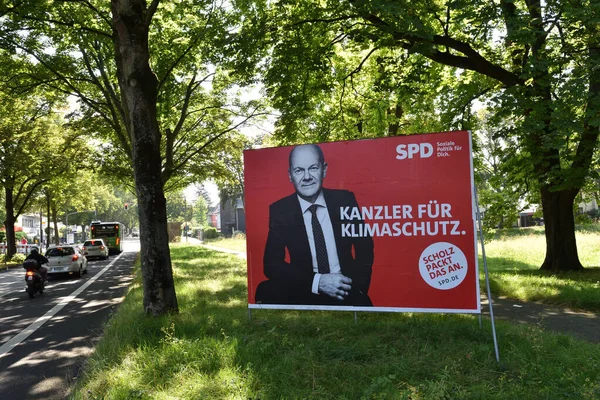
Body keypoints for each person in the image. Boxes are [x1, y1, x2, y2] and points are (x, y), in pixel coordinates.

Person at [255, 144, 374, 306]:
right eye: (299, 171)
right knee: (264, 290)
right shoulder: (281, 210)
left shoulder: (344, 200)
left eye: (313, 168)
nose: (307, 176)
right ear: (290, 175)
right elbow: (271, 265)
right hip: (304, 287)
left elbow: (365, 246)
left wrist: (359, 288)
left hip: (343, 287)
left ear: (324, 169)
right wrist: (318, 282)